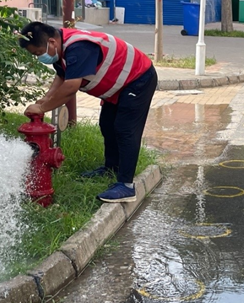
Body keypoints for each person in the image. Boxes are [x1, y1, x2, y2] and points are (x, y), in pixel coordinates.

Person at [18, 22, 157, 203]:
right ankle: (111, 168)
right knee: (107, 124)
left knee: (125, 129)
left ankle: (126, 186)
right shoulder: (61, 49)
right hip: (118, 85)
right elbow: (61, 76)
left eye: (38, 52)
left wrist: (43, 108)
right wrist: (45, 99)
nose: (39, 57)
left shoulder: (78, 47)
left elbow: (71, 86)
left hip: (138, 78)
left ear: (51, 42)